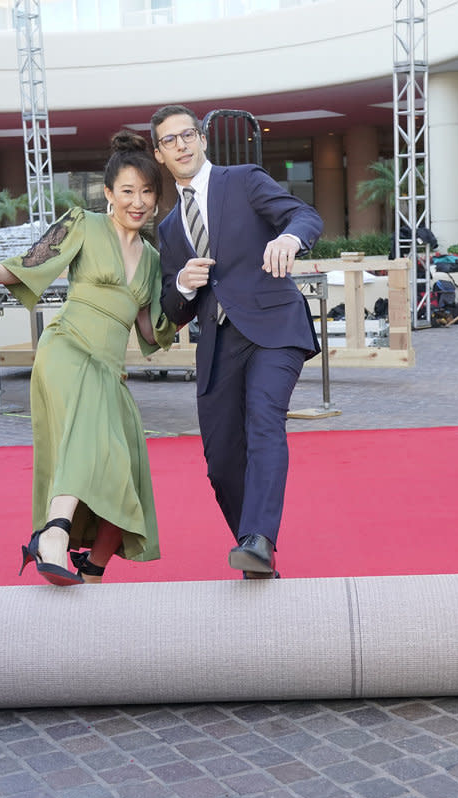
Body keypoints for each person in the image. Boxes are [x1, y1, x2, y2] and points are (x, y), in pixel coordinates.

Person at [0, 131, 176, 586]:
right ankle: (54, 532)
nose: (138, 201)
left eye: (147, 191)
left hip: (109, 369)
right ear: (109, 193)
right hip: (68, 350)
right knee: (88, 438)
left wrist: (191, 294)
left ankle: (93, 567)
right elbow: (30, 262)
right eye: (127, 191)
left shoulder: (150, 258)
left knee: (126, 468)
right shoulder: (83, 222)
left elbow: (150, 329)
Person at [152, 104, 323, 580]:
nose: (182, 145)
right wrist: (184, 284)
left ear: (202, 139)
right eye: (170, 140)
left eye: (188, 135)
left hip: (274, 327)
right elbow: (173, 308)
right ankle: (250, 547)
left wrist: (290, 239)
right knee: (221, 458)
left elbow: (302, 214)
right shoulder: (168, 228)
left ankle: (259, 542)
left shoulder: (243, 179)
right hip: (219, 343)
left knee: (263, 417)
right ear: (160, 153)